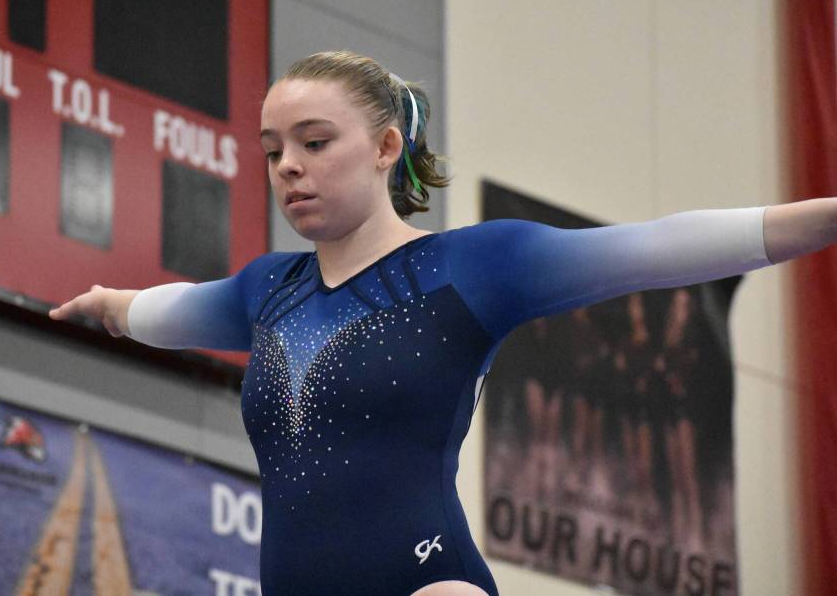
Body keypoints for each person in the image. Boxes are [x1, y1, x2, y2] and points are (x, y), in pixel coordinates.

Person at [50, 51, 837, 596]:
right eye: (272, 149)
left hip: (427, 578)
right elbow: (154, 310)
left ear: (388, 146)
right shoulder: (267, 291)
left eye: (315, 142)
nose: (288, 165)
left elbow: (660, 248)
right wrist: (103, 307)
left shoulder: (476, 268)